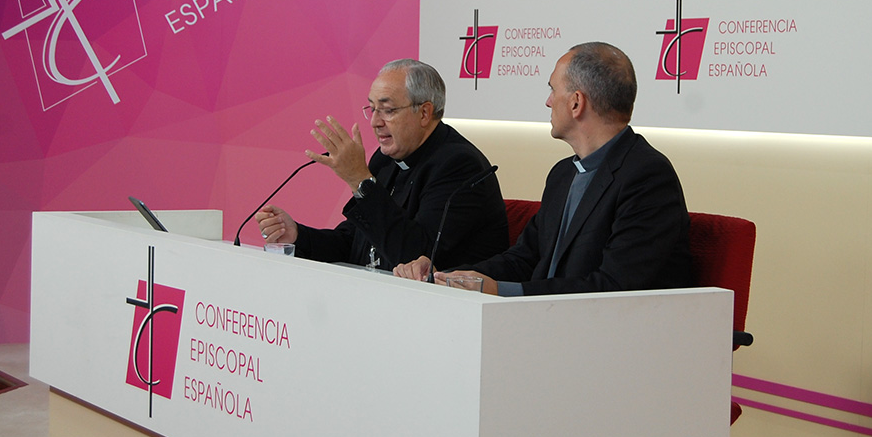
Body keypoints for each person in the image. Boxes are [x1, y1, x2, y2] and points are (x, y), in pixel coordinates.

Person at [393, 42, 692, 295]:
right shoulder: (563, 173)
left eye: (553, 90)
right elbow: (526, 257)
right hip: (548, 325)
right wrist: (445, 275)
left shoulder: (647, 176)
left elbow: (613, 287)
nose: (548, 101)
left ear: (577, 103)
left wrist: (504, 290)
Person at [256, 59, 509, 270]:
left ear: (424, 113)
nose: (375, 122)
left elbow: (415, 256)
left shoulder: (459, 165)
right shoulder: (386, 159)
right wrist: (297, 236)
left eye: (387, 110)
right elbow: (353, 243)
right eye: (372, 109)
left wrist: (360, 182)